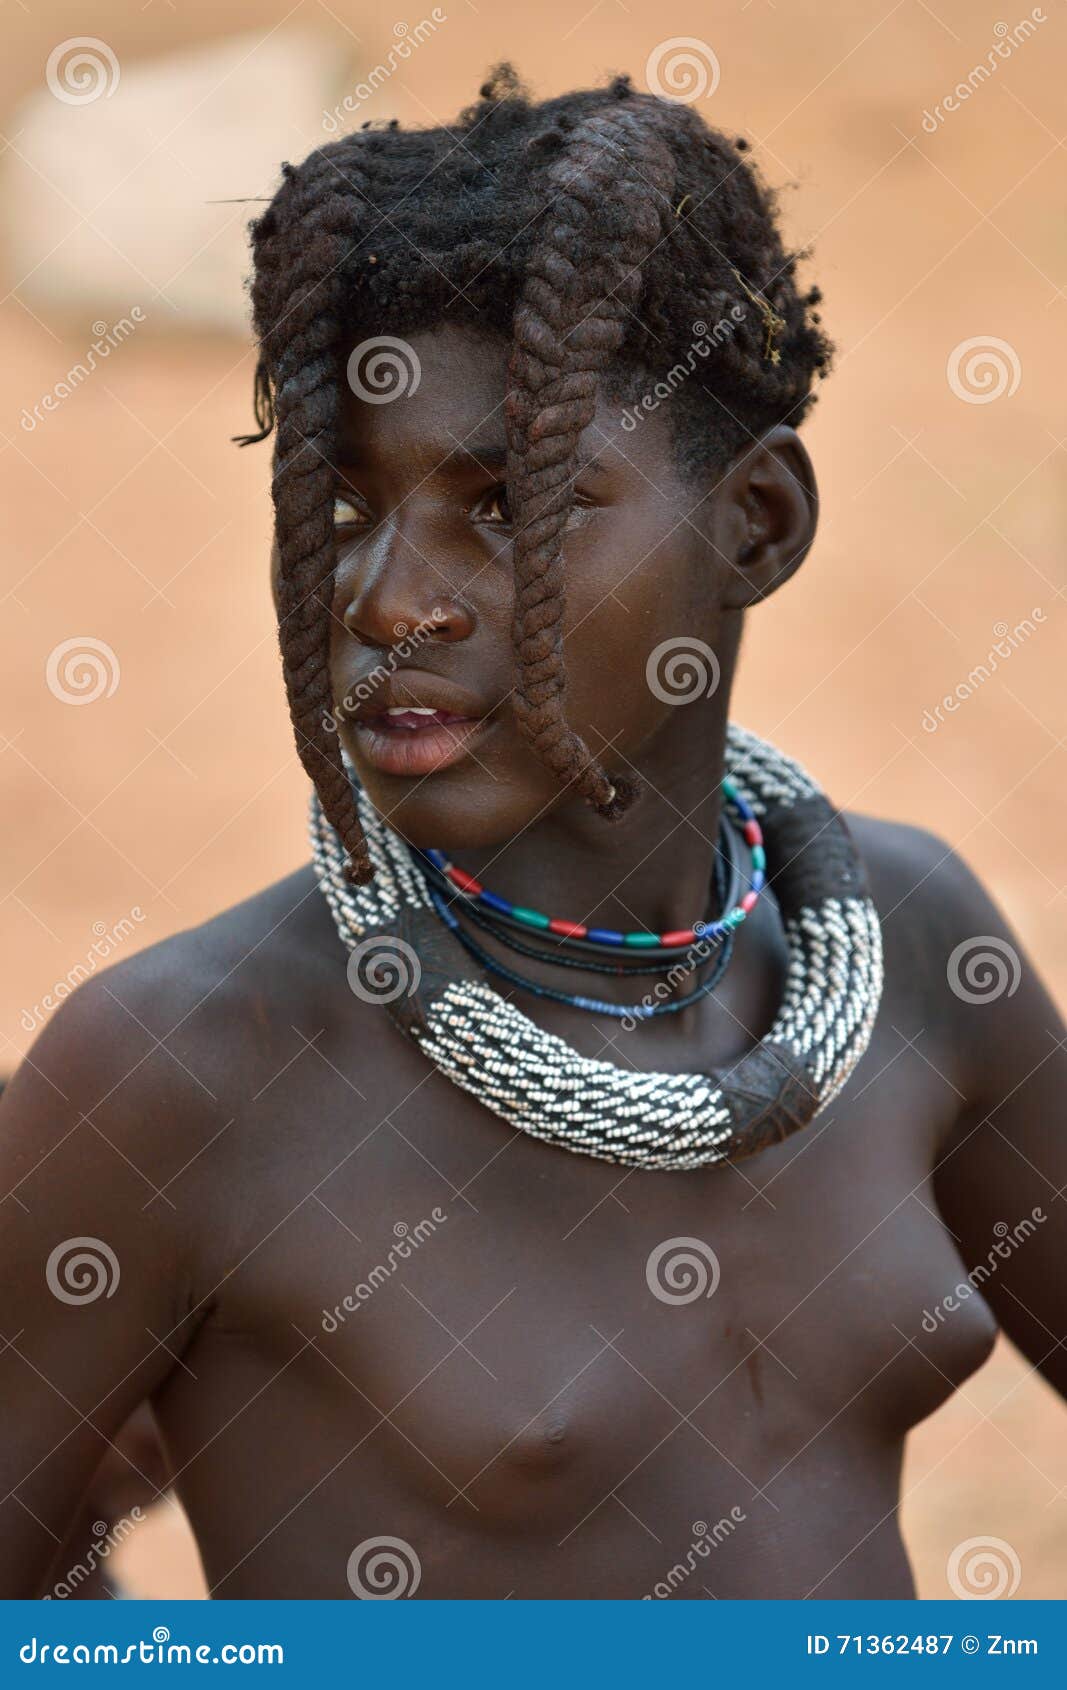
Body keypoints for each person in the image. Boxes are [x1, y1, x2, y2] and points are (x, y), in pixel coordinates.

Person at [2, 67, 1064, 1601]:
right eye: (347, 505)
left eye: (504, 505)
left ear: (755, 529)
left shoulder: (911, 951)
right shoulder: (184, 1071)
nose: (387, 602)